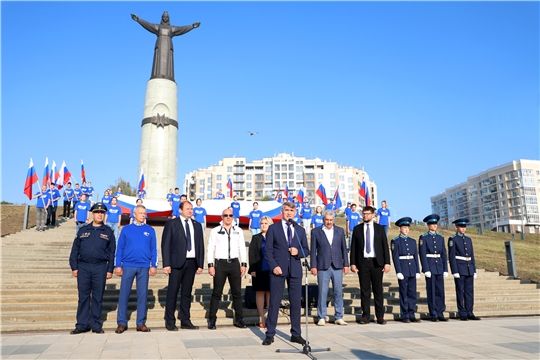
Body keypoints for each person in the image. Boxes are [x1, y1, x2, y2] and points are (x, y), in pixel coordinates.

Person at [263, 202, 309, 346]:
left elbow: (306, 250)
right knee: (275, 302)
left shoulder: (300, 230)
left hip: (295, 270)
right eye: (287, 210)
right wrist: (274, 266)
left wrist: (298, 252)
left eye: (292, 210)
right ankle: (270, 334)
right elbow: (268, 251)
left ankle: (296, 334)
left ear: (295, 212)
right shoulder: (273, 228)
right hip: (278, 270)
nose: (289, 213)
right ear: (282, 211)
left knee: (295, 303)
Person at [69, 203, 116, 334]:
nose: (99, 214)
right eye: (97, 212)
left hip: (100, 267)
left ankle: (96, 324)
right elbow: (75, 250)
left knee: (97, 297)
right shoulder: (83, 230)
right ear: (92, 214)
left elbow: (112, 253)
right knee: (83, 296)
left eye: (102, 213)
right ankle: (81, 325)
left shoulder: (108, 232)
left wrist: (109, 269)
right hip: (83, 266)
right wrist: (74, 266)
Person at [114, 205, 158, 334]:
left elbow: (153, 249)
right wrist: (118, 265)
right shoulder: (126, 229)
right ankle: (121, 323)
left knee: (143, 295)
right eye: (140, 213)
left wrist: (154, 265)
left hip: (144, 266)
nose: (143, 215)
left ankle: (141, 323)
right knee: (124, 294)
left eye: (144, 213)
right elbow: (120, 248)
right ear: (134, 214)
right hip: (128, 265)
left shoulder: (150, 230)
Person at [162, 201, 204, 331]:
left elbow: (200, 245)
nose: (190, 211)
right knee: (172, 292)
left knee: (186, 293)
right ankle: (170, 321)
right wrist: (166, 264)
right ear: (180, 210)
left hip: (191, 263)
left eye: (191, 209)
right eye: (187, 209)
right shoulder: (172, 224)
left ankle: (185, 320)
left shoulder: (197, 225)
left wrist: (200, 264)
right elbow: (165, 245)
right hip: (176, 263)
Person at [207, 208, 248, 329]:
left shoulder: (238, 230)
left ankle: (239, 319)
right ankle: (212, 319)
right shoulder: (215, 231)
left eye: (230, 215)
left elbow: (242, 247)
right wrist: (210, 265)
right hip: (220, 264)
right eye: (226, 215)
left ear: (233, 217)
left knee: (237, 293)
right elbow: (210, 248)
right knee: (216, 293)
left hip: (234, 263)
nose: (228, 217)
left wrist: (244, 264)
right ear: (222, 216)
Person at [350, 205, 391, 325]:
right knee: (365, 290)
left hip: (376, 262)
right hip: (363, 263)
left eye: (368, 214)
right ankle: (365, 316)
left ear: (373, 215)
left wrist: (387, 263)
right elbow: (354, 248)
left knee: (378, 290)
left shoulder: (379, 229)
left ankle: (380, 316)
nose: (365, 216)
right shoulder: (357, 229)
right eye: (364, 213)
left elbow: (384, 246)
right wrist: (353, 263)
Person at [131, 11, 200, 81]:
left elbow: (182, 29)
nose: (165, 18)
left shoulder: (171, 28)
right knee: (157, 64)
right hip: (159, 45)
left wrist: (192, 26)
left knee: (168, 65)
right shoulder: (158, 27)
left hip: (168, 45)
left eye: (167, 17)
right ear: (161, 18)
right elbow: (148, 25)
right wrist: (138, 19)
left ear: (169, 18)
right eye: (164, 17)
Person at [310, 211, 349, 326]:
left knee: (338, 291)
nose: (329, 222)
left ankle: (338, 316)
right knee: (322, 292)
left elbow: (344, 249)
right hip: (322, 266)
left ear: (334, 220)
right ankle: (321, 316)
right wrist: (313, 265)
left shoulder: (340, 231)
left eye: (331, 220)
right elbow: (313, 251)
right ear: (323, 220)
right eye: (327, 220)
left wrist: (346, 264)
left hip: (337, 265)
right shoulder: (316, 232)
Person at [448, 218, 480, 321]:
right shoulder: (453, 239)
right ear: (456, 227)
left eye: (464, 227)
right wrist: (455, 270)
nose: (463, 228)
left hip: (469, 268)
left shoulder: (468, 239)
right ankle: (462, 312)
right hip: (460, 268)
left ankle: (470, 311)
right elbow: (452, 256)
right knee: (460, 291)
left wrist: (474, 269)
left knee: (469, 292)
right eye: (461, 227)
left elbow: (472, 255)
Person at [419, 214, 449, 322]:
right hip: (430, 266)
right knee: (431, 291)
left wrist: (445, 269)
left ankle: (440, 312)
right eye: (432, 224)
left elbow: (444, 254)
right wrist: (426, 269)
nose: (434, 226)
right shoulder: (424, 237)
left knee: (440, 291)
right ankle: (433, 313)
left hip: (439, 266)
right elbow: (422, 254)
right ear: (428, 225)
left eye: (435, 223)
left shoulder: (440, 237)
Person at [391, 217, 421, 323]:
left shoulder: (412, 241)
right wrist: (398, 271)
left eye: (407, 227)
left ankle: (411, 313)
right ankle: (405, 314)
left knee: (412, 293)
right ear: (400, 228)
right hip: (403, 270)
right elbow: (395, 257)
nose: (406, 229)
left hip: (412, 269)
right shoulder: (395, 241)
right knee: (404, 293)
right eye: (404, 227)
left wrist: (417, 270)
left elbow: (415, 257)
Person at [248, 216, 273, 328]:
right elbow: (252, 254)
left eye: (265, 223)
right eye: (262, 223)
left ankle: (270, 317)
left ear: (270, 224)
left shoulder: (274, 237)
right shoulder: (256, 237)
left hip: (271, 269)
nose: (263, 225)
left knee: (269, 293)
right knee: (259, 292)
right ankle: (261, 317)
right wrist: (252, 269)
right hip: (259, 269)